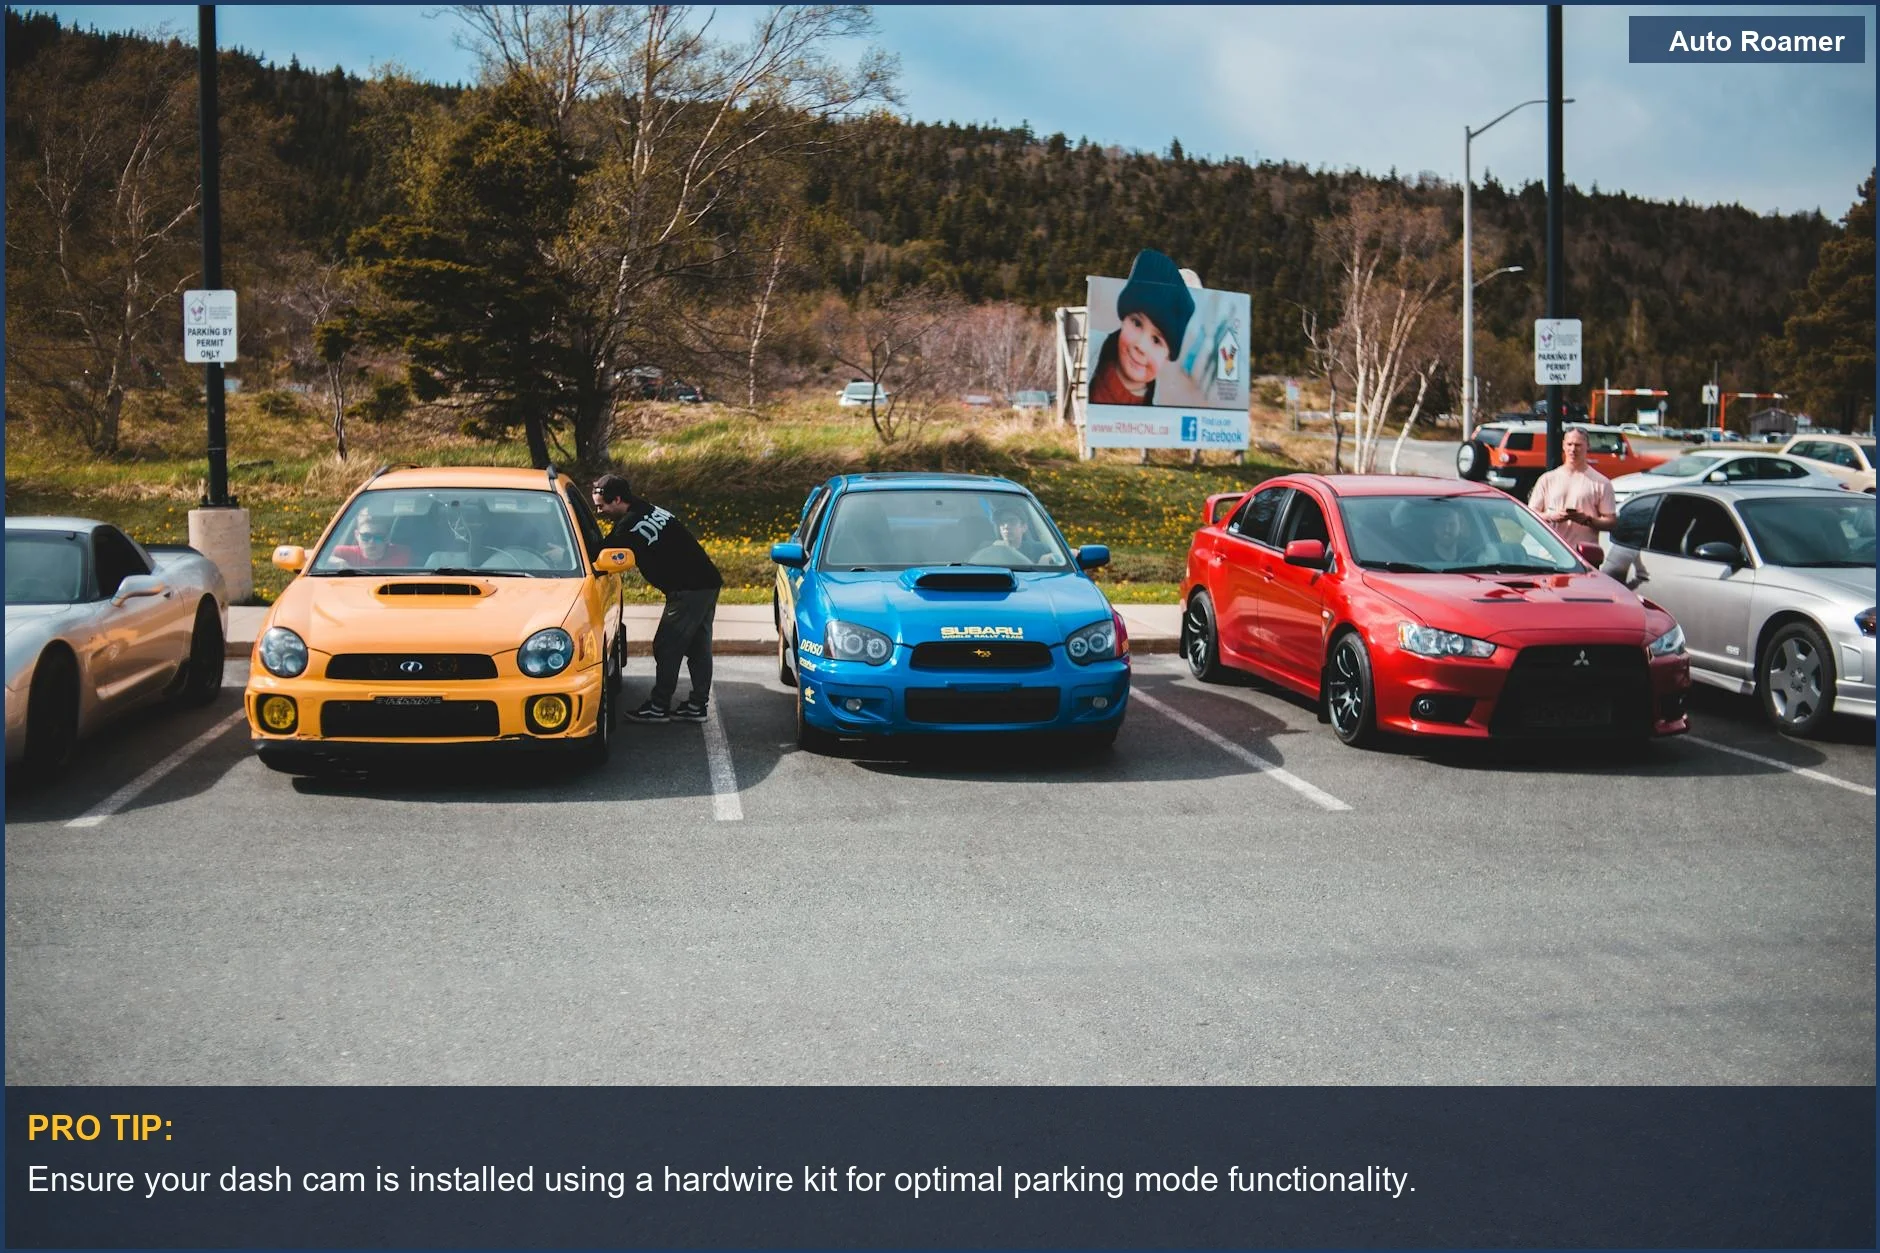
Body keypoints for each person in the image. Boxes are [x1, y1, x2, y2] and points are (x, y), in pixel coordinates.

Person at [591, 473, 723, 723]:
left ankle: (659, 706)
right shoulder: (644, 507)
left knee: (666, 645)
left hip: (688, 589)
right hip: (706, 581)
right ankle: (697, 706)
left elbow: (600, 554)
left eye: (602, 505)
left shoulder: (629, 526)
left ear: (617, 499)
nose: (599, 511)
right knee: (697, 647)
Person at [1087, 249, 1195, 407]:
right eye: (1137, 323)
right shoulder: (1091, 349)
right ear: (1123, 320)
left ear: (1167, 356)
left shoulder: (1163, 406)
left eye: (1156, 340)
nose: (1141, 346)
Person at [1528, 428, 1617, 550]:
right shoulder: (1547, 479)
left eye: (1578, 445)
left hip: (1585, 554)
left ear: (1588, 446)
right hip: (1551, 553)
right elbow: (1530, 515)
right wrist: (1552, 516)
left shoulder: (1602, 482)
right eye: (1569, 444)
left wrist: (1586, 520)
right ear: (1563, 446)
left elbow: (1611, 522)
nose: (1573, 449)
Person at [328, 511, 412, 569]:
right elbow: (319, 555)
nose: (371, 542)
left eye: (378, 537)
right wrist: (337, 562)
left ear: (387, 538)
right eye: (366, 536)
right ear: (357, 535)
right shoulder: (344, 553)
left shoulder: (404, 553)